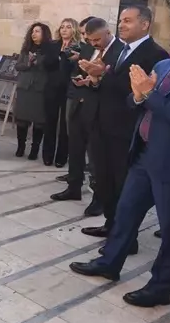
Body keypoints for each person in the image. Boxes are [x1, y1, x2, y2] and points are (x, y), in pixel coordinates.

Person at [69, 13, 170, 305]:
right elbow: (135, 103)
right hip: (145, 154)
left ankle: (160, 287)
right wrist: (140, 96)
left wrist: (149, 94)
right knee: (126, 213)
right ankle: (109, 263)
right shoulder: (164, 65)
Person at [80, 5, 168, 240]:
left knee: (123, 184)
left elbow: (140, 94)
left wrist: (104, 74)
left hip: (126, 130)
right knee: (105, 179)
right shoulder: (121, 50)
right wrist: (96, 78)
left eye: (128, 21)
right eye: (120, 20)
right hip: (102, 125)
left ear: (145, 24)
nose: (121, 25)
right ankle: (111, 224)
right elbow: (109, 85)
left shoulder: (156, 55)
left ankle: (126, 237)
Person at [51, 17, 109, 213]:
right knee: (75, 147)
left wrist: (94, 80)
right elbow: (74, 72)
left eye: (88, 35)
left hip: (96, 108)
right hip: (77, 101)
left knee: (95, 154)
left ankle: (99, 196)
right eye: (84, 34)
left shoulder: (111, 53)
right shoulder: (84, 50)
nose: (87, 39)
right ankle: (73, 186)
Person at [12, 22, 59, 160]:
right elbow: (18, 66)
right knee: (21, 119)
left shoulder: (49, 50)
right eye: (32, 31)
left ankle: (35, 148)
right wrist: (28, 63)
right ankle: (21, 146)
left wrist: (38, 61)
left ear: (44, 33)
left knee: (39, 121)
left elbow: (51, 67)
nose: (34, 34)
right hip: (25, 88)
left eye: (37, 31)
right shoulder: (26, 49)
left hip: (40, 88)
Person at [48, 17, 81, 168]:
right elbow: (46, 64)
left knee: (65, 124)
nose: (64, 30)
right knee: (50, 122)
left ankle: (61, 156)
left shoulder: (79, 48)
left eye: (68, 27)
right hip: (52, 87)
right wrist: (59, 55)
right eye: (62, 27)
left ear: (73, 29)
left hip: (69, 89)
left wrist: (73, 58)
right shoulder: (53, 45)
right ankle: (47, 155)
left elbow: (77, 69)